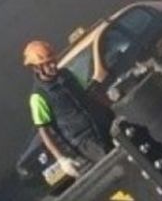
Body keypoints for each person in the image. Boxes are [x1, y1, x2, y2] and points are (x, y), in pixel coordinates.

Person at [22, 40, 114, 178]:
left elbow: (89, 94)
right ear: (36, 68)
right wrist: (61, 159)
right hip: (85, 141)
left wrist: (113, 111)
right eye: (47, 64)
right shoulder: (38, 96)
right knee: (114, 166)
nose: (53, 65)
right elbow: (44, 131)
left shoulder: (66, 74)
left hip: (102, 124)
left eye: (53, 60)